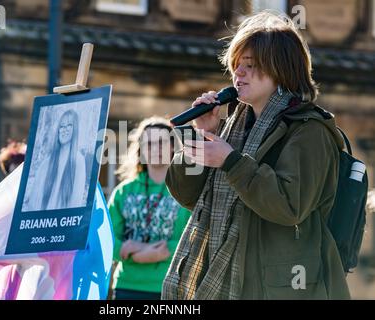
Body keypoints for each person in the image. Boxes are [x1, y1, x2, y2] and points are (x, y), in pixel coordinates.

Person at [162, 11, 350, 300]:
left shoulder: (309, 129)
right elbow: (187, 196)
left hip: (280, 288)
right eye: (236, 65)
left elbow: (289, 206)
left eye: (250, 65)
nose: (238, 73)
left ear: (281, 69)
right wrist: (204, 135)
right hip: (221, 280)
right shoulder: (233, 128)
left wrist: (231, 161)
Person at [108, 117, 191, 300]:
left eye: (161, 142)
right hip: (126, 286)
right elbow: (107, 240)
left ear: (172, 147)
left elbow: (193, 241)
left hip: (170, 286)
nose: (156, 149)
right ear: (141, 149)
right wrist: (140, 254)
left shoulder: (186, 191)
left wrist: (164, 251)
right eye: (149, 143)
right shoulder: (123, 191)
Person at [24, 109, 86, 211]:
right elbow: (34, 200)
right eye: (61, 126)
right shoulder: (47, 162)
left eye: (69, 125)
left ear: (75, 129)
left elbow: (76, 202)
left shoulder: (79, 161)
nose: (64, 129)